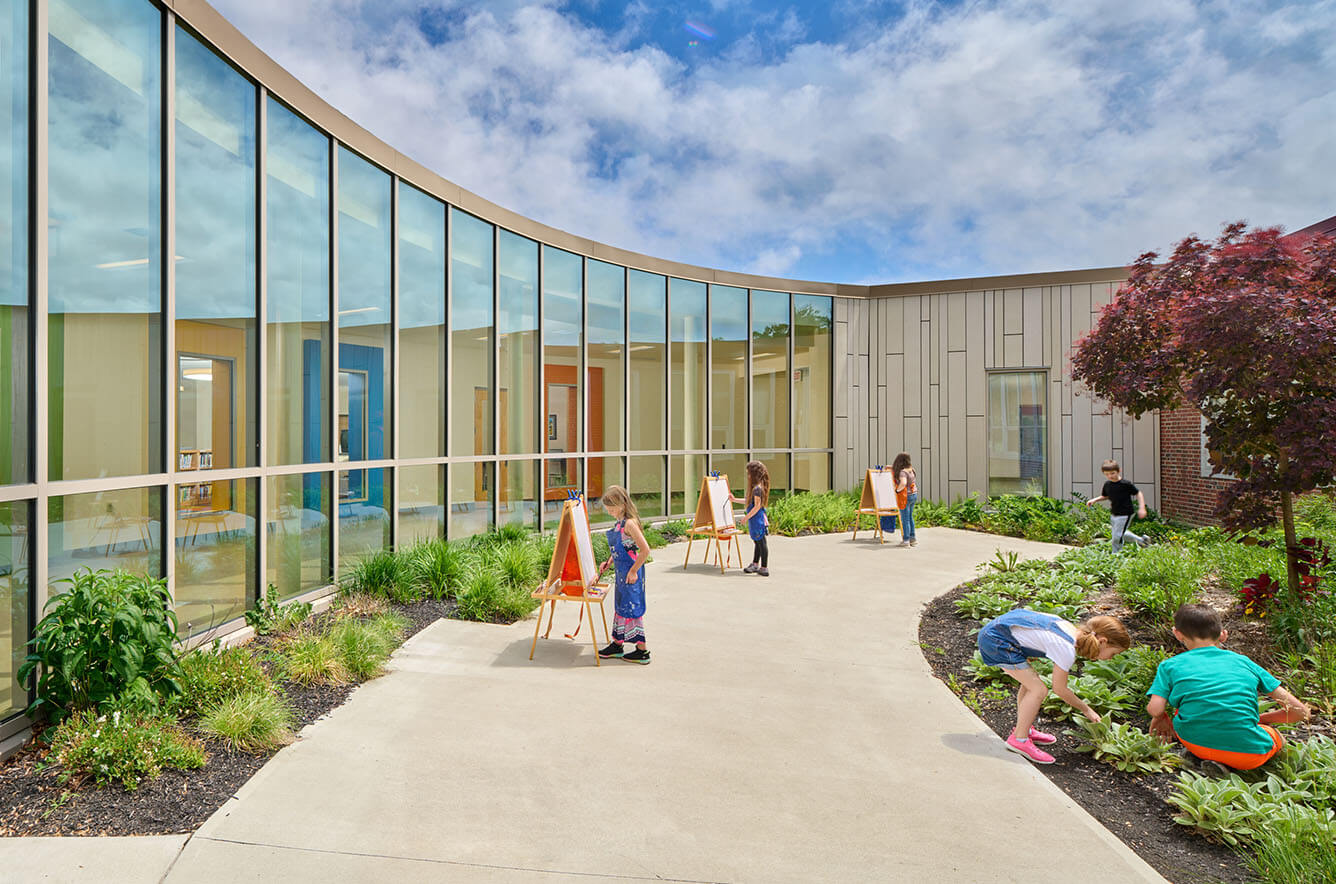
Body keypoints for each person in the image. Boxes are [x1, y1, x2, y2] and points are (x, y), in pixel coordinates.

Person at [1147, 604, 1309, 771]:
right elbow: (1300, 712)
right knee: (1275, 736)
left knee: (1181, 711)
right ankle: (1236, 765)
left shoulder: (1169, 665)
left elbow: (1155, 709)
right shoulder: (1244, 662)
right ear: (1223, 635)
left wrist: (1160, 718)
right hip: (1250, 756)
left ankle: (1200, 757)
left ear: (1177, 634)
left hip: (1192, 740)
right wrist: (1261, 720)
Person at [976, 608, 1132, 764]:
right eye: (1113, 654)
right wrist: (1087, 710)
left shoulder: (1070, 630)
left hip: (998, 634)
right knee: (1038, 689)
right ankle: (1019, 740)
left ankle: (1022, 729)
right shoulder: (1066, 648)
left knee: (1030, 684)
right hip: (997, 641)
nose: (1111, 659)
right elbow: (1060, 689)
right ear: (1103, 641)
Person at [596, 486, 651, 664]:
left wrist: (634, 571)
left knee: (632, 608)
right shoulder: (619, 523)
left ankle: (642, 651)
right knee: (621, 607)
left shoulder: (629, 523)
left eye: (611, 509)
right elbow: (621, 548)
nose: (610, 512)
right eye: (608, 510)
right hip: (622, 573)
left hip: (631, 573)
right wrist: (608, 562)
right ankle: (617, 644)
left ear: (621, 505)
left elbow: (645, 550)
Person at [1085, 459, 1148, 552]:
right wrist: (1094, 500)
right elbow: (1105, 496)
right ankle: (1142, 541)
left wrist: (1142, 508)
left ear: (1119, 471)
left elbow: (1138, 493)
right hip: (1114, 513)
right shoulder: (1107, 484)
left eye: (1112, 473)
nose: (1110, 476)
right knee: (1120, 533)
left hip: (1125, 513)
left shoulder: (1125, 484)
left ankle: (1116, 556)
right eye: (1107, 474)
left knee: (1116, 537)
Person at [731, 460, 771, 577]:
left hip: (757, 520)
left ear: (754, 474)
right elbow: (750, 502)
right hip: (754, 520)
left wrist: (746, 517)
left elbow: (757, 506)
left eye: (749, 473)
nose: (748, 476)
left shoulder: (758, 489)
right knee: (757, 542)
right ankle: (755, 564)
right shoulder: (756, 488)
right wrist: (734, 500)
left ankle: (764, 567)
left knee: (761, 543)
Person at [892, 452, 918, 547]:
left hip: (905, 496)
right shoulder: (911, 469)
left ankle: (906, 540)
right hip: (913, 494)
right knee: (910, 517)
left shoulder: (902, 472)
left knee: (905, 519)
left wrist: (897, 490)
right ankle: (913, 539)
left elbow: (903, 483)